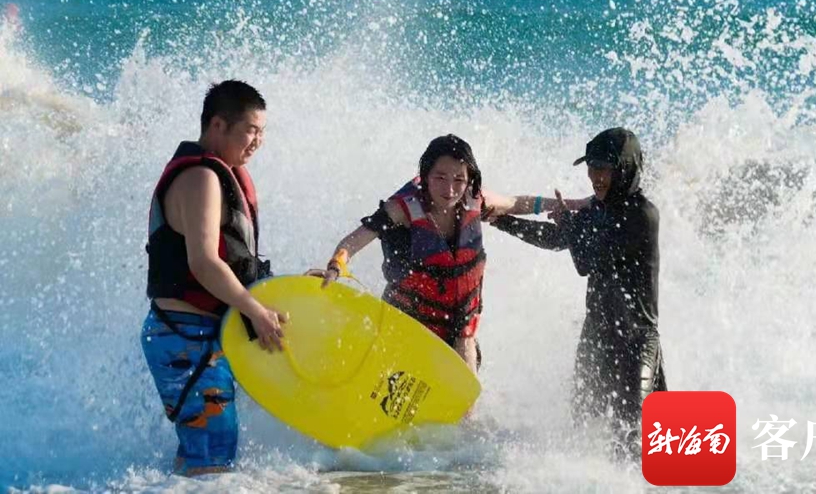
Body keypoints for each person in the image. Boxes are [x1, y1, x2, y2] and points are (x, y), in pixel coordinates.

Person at [309, 134, 586, 374]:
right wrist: (336, 265)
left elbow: (516, 203)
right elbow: (357, 238)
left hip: (459, 322)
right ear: (426, 176)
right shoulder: (403, 209)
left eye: (459, 179)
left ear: (469, 179)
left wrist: (576, 204)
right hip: (407, 317)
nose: (450, 189)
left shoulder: (475, 199)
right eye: (440, 178)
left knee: (466, 393)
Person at [141, 80, 287, 476]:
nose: (258, 142)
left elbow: (235, 261)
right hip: (184, 335)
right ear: (218, 125)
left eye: (262, 132)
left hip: (201, 333)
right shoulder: (201, 177)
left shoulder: (222, 174)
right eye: (251, 131)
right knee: (212, 458)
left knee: (205, 454)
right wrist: (254, 310)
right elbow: (204, 263)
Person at [490, 127, 666, 454]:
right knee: (584, 430)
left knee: (634, 437)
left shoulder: (643, 215)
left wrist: (570, 226)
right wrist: (502, 221)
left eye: (604, 169)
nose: (595, 177)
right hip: (596, 335)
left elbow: (586, 261)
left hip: (636, 341)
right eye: (592, 167)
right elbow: (555, 239)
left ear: (624, 169)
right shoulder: (597, 209)